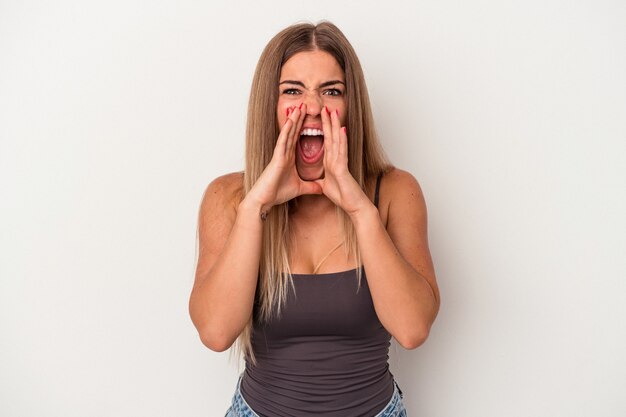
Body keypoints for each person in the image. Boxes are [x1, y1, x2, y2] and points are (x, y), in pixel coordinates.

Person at [189, 21, 440, 417]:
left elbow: (412, 329)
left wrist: (359, 209)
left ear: (350, 106)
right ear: (268, 106)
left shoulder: (394, 192)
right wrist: (256, 207)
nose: (312, 106)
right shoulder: (230, 199)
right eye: (292, 90)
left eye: (331, 91)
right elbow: (216, 332)